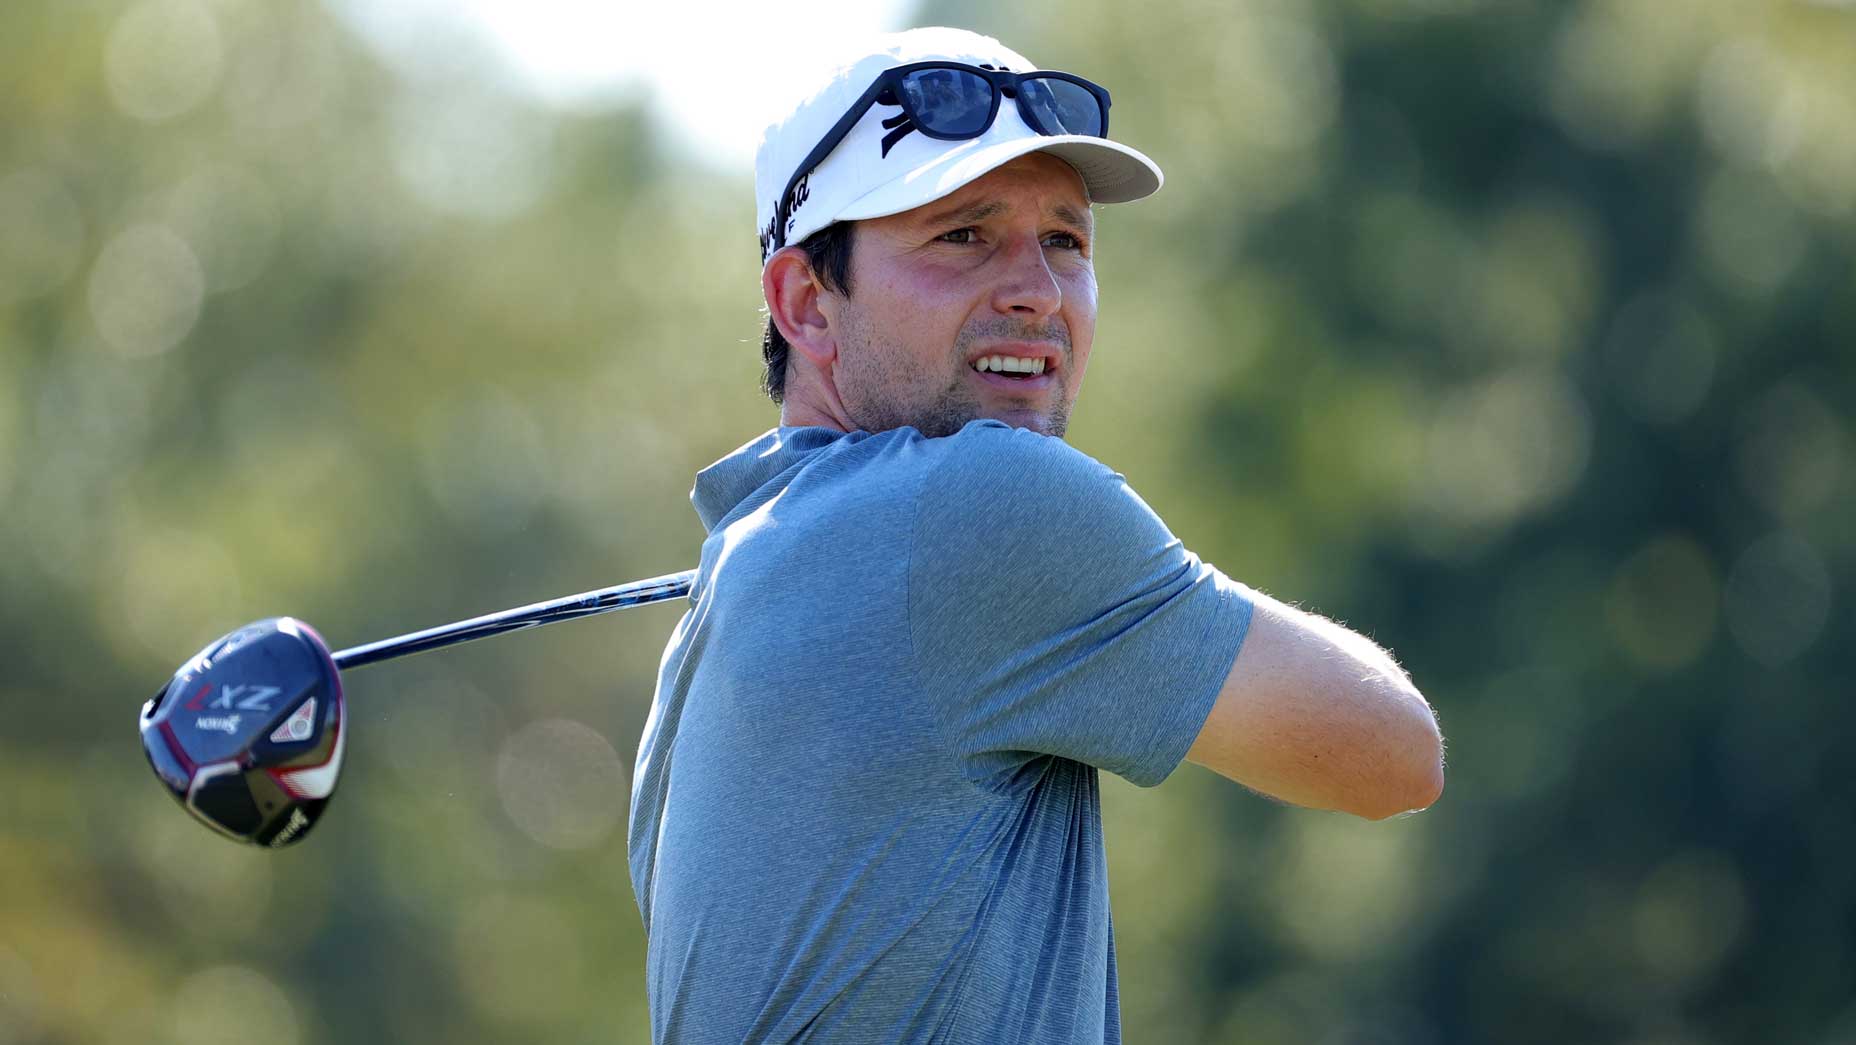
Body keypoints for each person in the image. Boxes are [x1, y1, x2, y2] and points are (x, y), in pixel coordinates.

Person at [627, 26, 1444, 1043]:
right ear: (806, 302)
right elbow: (1390, 752)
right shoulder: (981, 503)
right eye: (961, 235)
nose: (1037, 292)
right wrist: (1149, 584)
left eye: (1065, 241)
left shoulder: (726, 588)